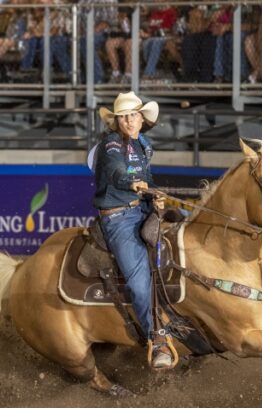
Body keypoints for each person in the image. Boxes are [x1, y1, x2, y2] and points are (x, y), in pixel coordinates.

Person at [92, 91, 174, 370]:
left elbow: (147, 180)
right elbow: (115, 171)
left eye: (133, 115)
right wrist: (131, 182)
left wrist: (153, 196)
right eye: (123, 117)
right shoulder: (111, 144)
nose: (129, 121)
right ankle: (158, 339)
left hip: (139, 210)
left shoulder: (144, 145)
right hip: (118, 219)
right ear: (117, 121)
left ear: (141, 119)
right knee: (139, 281)